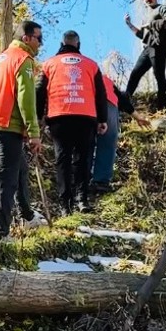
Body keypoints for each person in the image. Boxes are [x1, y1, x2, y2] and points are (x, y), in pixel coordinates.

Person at [0, 21, 47, 239]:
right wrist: (34, 132)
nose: (41, 44)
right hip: (8, 125)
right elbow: (26, 99)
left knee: (20, 170)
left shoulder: (0, 59)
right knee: (8, 180)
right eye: (39, 38)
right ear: (27, 38)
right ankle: (0, 234)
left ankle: (27, 216)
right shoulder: (23, 60)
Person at [37, 31, 108, 213]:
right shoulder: (91, 65)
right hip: (86, 117)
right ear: (78, 44)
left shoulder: (49, 64)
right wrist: (103, 119)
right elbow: (100, 94)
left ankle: (65, 204)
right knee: (83, 159)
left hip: (59, 116)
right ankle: (82, 199)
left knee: (63, 159)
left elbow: (39, 91)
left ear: (62, 43)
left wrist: (38, 116)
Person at [90, 72, 147, 195]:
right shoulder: (105, 79)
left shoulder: (81, 74)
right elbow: (122, 100)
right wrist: (137, 117)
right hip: (107, 102)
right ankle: (100, 182)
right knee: (107, 142)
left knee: (84, 142)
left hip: (83, 102)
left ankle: (81, 180)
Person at [124, 0, 166, 110]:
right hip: (147, 48)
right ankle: (125, 101)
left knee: (158, 74)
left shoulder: (162, 8)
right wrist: (129, 24)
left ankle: (162, 106)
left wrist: (153, 24)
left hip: (159, 47)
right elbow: (142, 35)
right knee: (135, 73)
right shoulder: (146, 15)